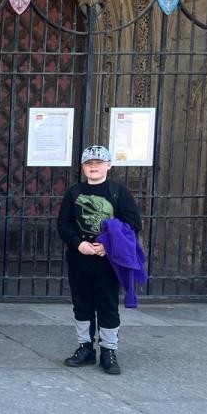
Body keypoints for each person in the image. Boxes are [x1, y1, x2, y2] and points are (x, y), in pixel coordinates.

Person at [57, 145, 142, 375]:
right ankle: (85, 347)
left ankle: (109, 350)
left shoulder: (118, 192)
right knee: (82, 304)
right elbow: (63, 223)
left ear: (108, 165)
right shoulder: (74, 193)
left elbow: (133, 224)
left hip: (108, 260)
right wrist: (78, 244)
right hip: (80, 256)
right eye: (89, 163)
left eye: (98, 162)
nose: (93, 167)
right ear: (83, 167)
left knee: (107, 304)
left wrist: (107, 245)